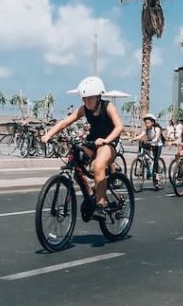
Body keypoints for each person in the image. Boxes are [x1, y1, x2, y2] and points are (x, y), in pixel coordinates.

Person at [40, 76, 124, 220]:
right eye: (84, 98)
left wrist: (106, 140)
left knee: (98, 166)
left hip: (109, 142)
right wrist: (48, 135)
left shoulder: (108, 106)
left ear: (98, 97)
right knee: (75, 164)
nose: (86, 101)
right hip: (92, 141)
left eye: (90, 98)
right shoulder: (84, 109)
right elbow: (64, 123)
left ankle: (100, 205)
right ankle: (90, 194)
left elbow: (119, 127)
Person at [134, 114, 164, 187]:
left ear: (152, 122)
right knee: (145, 152)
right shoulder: (146, 129)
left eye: (148, 123)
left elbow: (157, 137)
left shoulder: (157, 129)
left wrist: (154, 140)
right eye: (146, 123)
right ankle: (148, 167)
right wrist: (134, 138)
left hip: (158, 145)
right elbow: (141, 135)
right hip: (151, 144)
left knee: (156, 161)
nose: (147, 124)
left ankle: (157, 177)